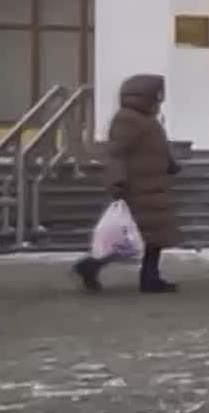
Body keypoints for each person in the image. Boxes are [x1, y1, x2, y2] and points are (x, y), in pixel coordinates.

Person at [72, 74, 182, 293]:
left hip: (152, 186)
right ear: (145, 95)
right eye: (157, 94)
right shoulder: (127, 119)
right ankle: (91, 266)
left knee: (152, 237)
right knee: (132, 237)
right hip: (137, 188)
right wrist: (117, 181)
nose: (160, 99)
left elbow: (154, 147)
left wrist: (170, 164)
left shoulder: (146, 119)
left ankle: (149, 278)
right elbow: (116, 153)